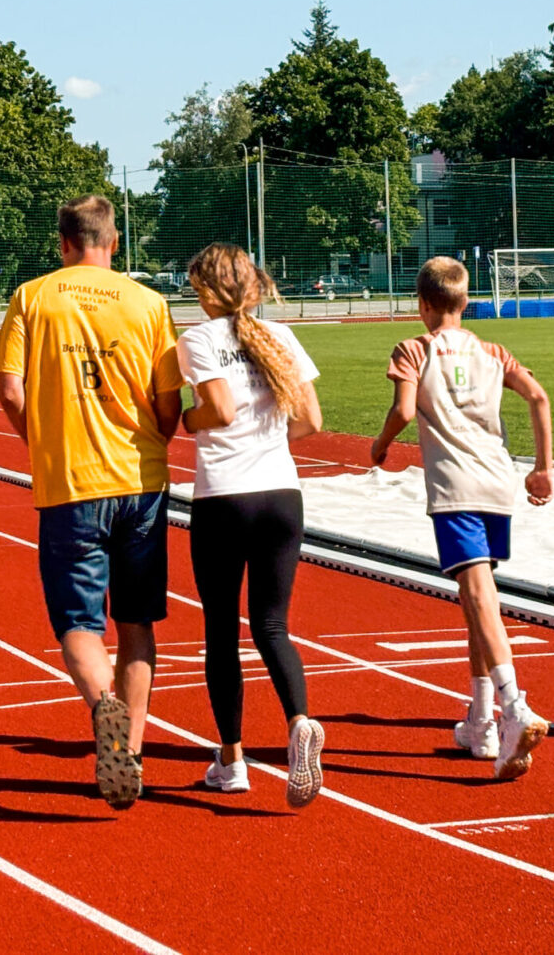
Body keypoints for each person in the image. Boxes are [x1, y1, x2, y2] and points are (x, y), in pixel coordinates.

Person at [0, 194, 183, 809]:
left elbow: (12, 391)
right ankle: (134, 749)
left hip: (70, 483)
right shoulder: (149, 303)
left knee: (77, 624)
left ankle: (105, 710)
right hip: (141, 481)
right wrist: (153, 439)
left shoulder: (33, 296)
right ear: (115, 241)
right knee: (137, 624)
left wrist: (41, 443)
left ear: (63, 241)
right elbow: (170, 399)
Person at [368, 256, 554, 779]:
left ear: (423, 305)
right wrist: (542, 469)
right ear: (465, 301)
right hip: (498, 480)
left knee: (477, 596)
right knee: (480, 599)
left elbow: (404, 411)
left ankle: (514, 706)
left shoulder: (414, 348)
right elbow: (538, 397)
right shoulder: (492, 351)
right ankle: (481, 720)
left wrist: (381, 446)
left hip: (455, 487)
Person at [178, 243, 326, 807]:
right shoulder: (281, 336)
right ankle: (298, 722)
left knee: (221, 628)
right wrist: (267, 448)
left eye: (196, 290)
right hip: (282, 495)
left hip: (225, 497)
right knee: (272, 625)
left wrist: (183, 421)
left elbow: (217, 410)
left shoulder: (198, 339)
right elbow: (311, 419)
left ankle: (233, 760)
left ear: (209, 292)